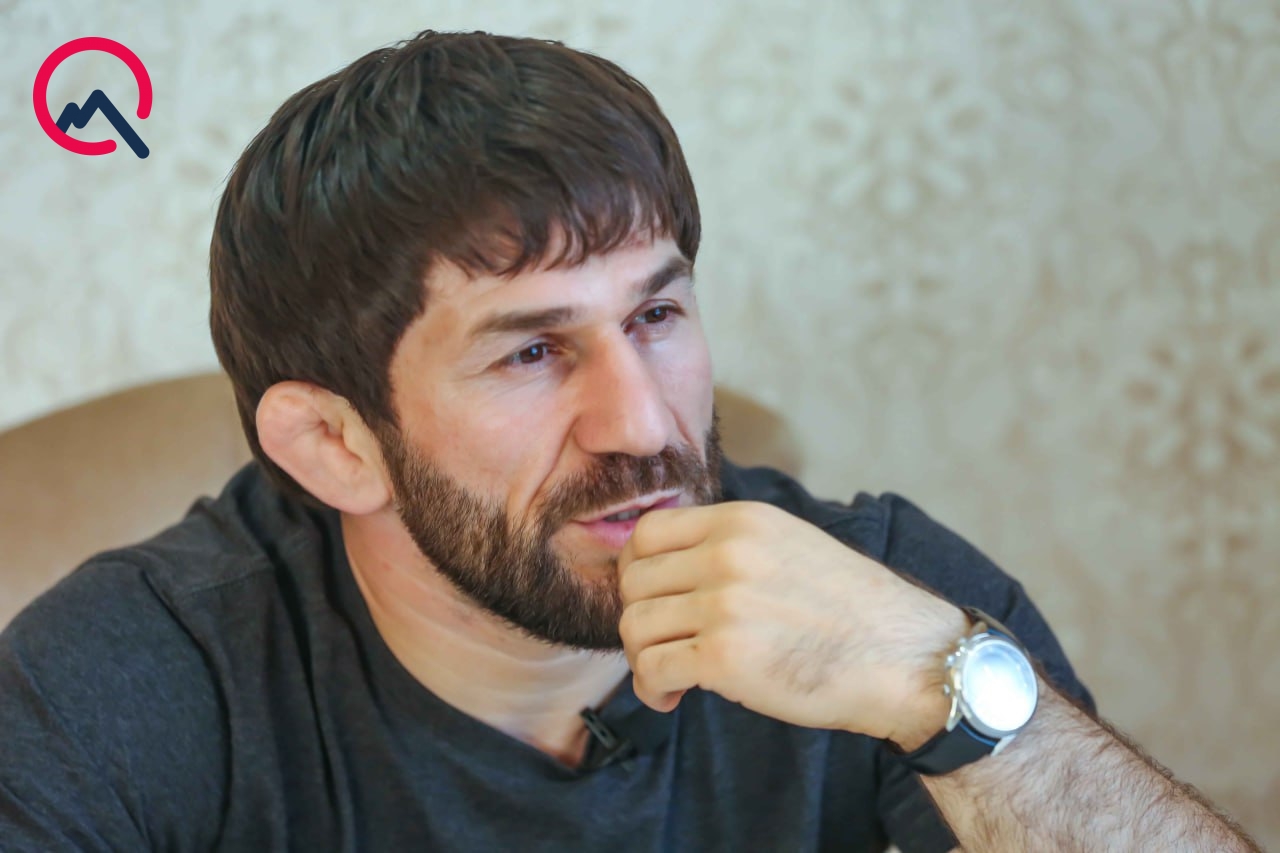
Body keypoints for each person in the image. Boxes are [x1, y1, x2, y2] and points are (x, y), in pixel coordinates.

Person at [0, 29, 1259, 853]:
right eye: (529, 353)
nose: (646, 424)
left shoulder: (883, 596)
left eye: (655, 316)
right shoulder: (124, 684)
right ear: (333, 443)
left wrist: (961, 701)